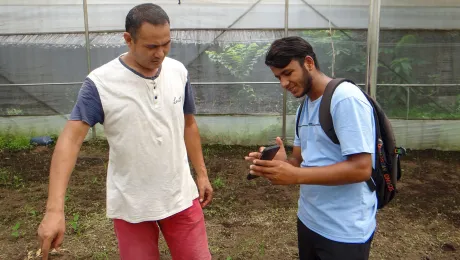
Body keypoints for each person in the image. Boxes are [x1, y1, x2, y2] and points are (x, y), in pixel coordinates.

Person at [37, 3, 213, 260]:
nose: (161, 53)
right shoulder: (101, 83)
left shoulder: (178, 72)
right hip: (131, 204)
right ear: (128, 40)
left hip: (181, 197)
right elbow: (70, 141)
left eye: (166, 44)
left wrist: (202, 174)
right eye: (151, 46)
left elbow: (188, 124)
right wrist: (54, 210)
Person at [245, 36, 377, 260]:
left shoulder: (345, 99)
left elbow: (362, 169)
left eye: (288, 73)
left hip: (344, 231)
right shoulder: (304, 109)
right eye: (278, 77)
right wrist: (282, 163)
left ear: (308, 62)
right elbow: (300, 161)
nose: (283, 84)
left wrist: (295, 174)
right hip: (309, 221)